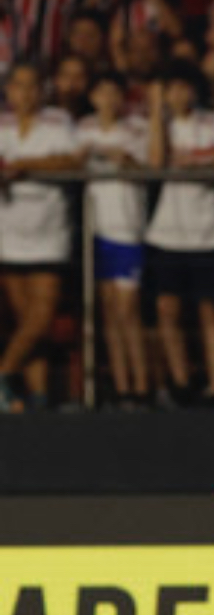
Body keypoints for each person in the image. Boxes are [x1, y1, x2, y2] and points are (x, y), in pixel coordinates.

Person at [146, 60, 214, 409]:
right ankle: (181, 383)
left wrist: (196, 164)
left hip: (208, 230)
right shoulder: (160, 127)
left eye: (184, 86)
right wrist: (156, 114)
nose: (178, 94)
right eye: (171, 88)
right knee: (167, 309)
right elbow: (155, 162)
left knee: (210, 310)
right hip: (167, 231)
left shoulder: (213, 123)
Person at [0, 62, 81, 413]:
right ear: (9, 90)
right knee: (26, 323)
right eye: (19, 85)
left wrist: (26, 166)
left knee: (41, 318)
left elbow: (72, 160)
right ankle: (36, 397)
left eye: (33, 85)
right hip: (8, 232)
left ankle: (3, 373)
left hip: (48, 232)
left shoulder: (57, 122)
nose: (26, 93)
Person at [78, 70, 152, 409]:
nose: (107, 99)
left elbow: (149, 165)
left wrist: (128, 160)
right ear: (93, 97)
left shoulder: (135, 129)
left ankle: (142, 386)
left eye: (113, 92)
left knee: (128, 313)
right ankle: (123, 388)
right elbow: (72, 160)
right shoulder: (83, 130)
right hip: (98, 230)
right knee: (108, 313)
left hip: (127, 229)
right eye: (101, 92)